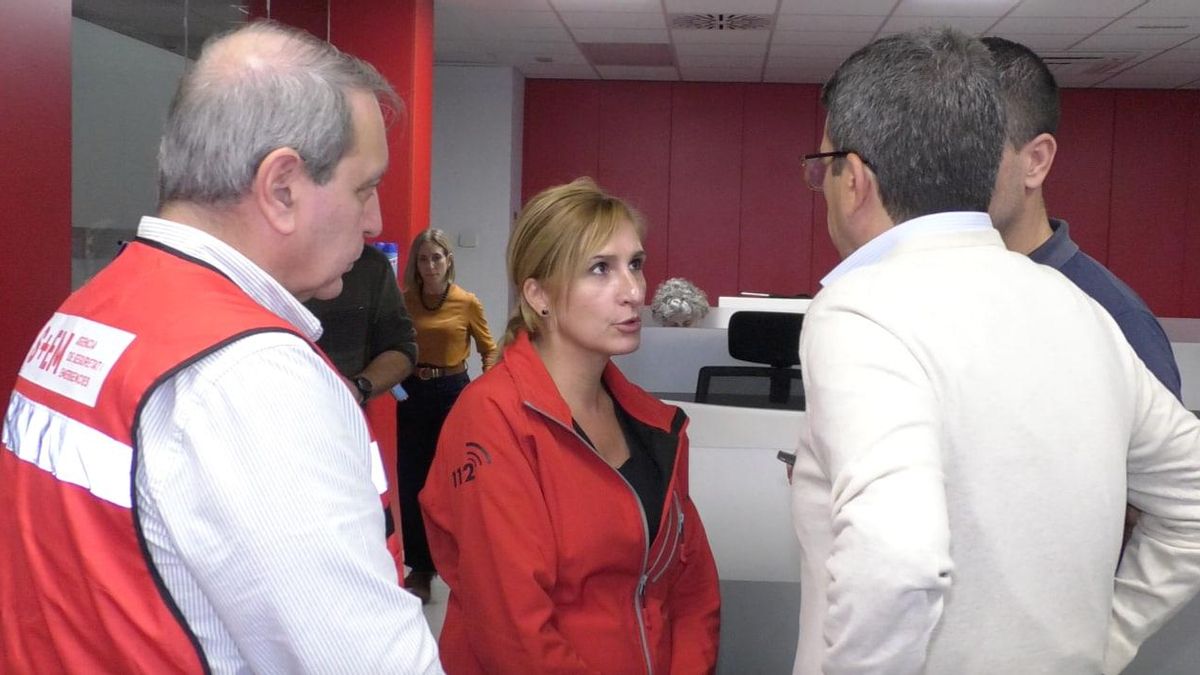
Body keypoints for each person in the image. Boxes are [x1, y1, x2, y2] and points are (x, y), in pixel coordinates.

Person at [0, 21, 441, 673]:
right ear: (282, 187)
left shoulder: (89, 313)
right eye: (363, 186)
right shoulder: (254, 377)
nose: (375, 221)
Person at [791, 27, 1200, 674]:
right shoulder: (1079, 309)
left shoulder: (863, 308)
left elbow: (897, 558)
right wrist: (1105, 639)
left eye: (823, 166)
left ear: (856, 179)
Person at [419, 178, 721, 673]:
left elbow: (692, 589)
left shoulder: (651, 424)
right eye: (600, 269)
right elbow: (514, 633)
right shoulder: (492, 421)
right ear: (538, 294)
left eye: (636, 265)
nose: (633, 292)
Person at [984, 36, 1182, 399]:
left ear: (1036, 160)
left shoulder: (1116, 320)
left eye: (973, 152)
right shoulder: (936, 292)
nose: (943, 173)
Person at [397, 227, 497, 602]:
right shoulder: (405, 301)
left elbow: (489, 349)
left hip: (453, 393)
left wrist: (489, 392)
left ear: (448, 260)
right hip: (412, 393)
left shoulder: (466, 302)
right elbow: (392, 346)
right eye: (423, 259)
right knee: (414, 482)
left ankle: (467, 564)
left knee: (459, 478)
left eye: (436, 258)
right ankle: (421, 568)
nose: (430, 265)